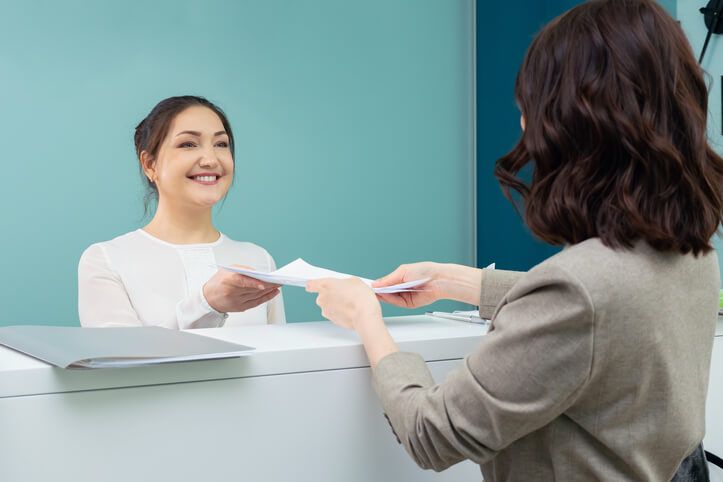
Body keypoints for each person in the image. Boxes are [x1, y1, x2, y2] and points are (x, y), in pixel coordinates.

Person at [306, 0, 723, 479]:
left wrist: (366, 319)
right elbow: (609, 308)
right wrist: (452, 280)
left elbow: (432, 434)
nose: (525, 124)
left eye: (532, 106)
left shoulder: (580, 289)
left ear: (574, 121)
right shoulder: (693, 254)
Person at [78, 96, 285, 329]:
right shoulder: (106, 260)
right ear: (149, 164)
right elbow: (121, 359)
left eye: (221, 144)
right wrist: (207, 305)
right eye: (188, 144)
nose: (210, 160)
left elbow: (279, 361)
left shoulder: (258, 260)